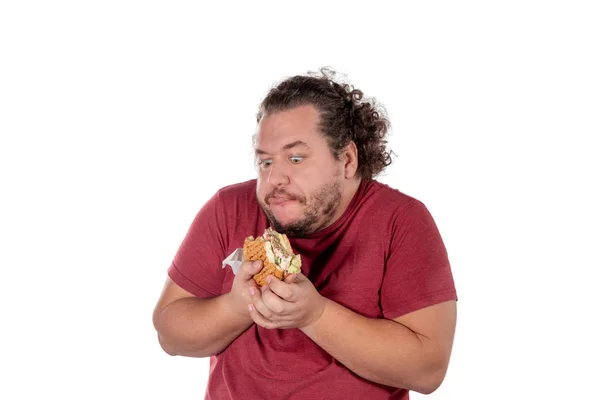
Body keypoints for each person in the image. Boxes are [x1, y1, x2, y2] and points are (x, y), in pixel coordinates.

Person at [153, 68, 458, 399]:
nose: (275, 180)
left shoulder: (402, 220)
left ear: (347, 160)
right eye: (266, 162)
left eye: (295, 158)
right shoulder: (228, 208)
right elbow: (169, 335)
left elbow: (428, 370)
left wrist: (314, 314)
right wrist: (240, 306)